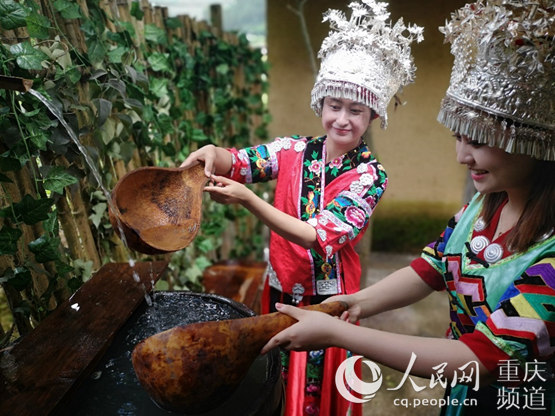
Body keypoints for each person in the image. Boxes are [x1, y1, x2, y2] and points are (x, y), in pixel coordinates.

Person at [261, 0, 554, 415]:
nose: (462, 157)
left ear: (535, 143)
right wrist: (353, 304)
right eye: (459, 137)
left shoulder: (551, 256)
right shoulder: (480, 210)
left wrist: (340, 334)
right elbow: (430, 269)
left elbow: (482, 361)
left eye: (478, 142)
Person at [181, 1, 423, 414]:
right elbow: (243, 161)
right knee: (275, 383)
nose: (342, 119)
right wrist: (212, 153)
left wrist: (249, 201)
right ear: (321, 103)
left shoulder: (369, 176)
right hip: (278, 289)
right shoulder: (293, 149)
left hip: (327, 305)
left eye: (356, 110)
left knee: (314, 399)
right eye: (334, 105)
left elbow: (319, 236)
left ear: (373, 115)